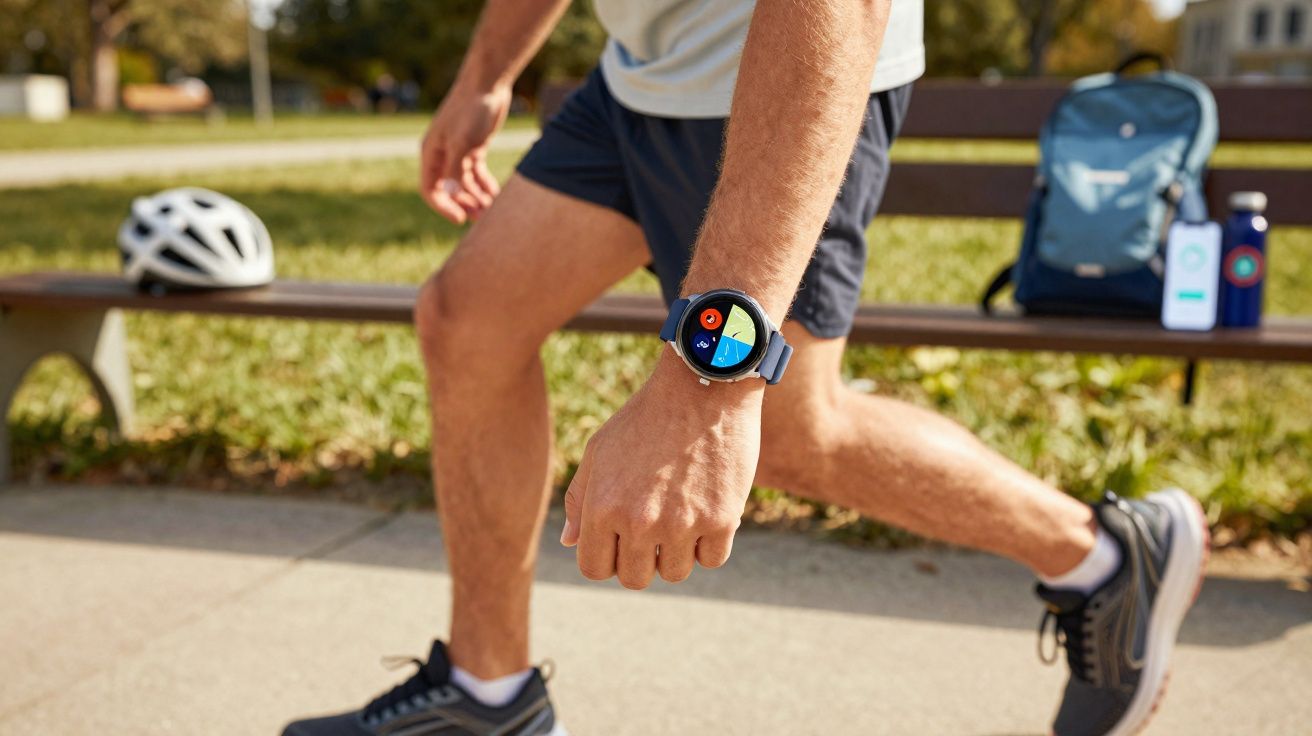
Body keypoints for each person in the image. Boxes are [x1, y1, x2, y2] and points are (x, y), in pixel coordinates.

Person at [281, 1, 1209, 735]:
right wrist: (487, 72)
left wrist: (704, 383)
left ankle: (1101, 556)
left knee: (787, 433)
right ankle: (488, 696)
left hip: (783, 72)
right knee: (467, 320)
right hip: (637, 81)